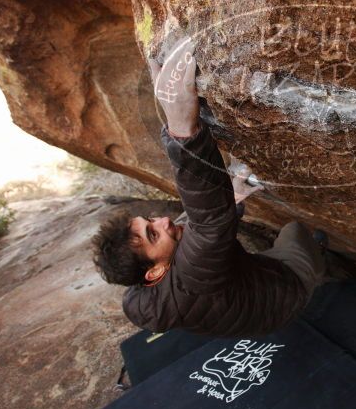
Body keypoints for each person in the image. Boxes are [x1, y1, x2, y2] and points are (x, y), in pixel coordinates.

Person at [92, 38, 327, 336]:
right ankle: (319, 262)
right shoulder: (193, 278)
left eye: (149, 221)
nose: (162, 221)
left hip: (245, 304)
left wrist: (233, 199)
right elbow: (209, 225)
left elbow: (191, 227)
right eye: (152, 234)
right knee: (294, 230)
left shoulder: (138, 302)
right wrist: (181, 129)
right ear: (155, 272)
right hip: (283, 298)